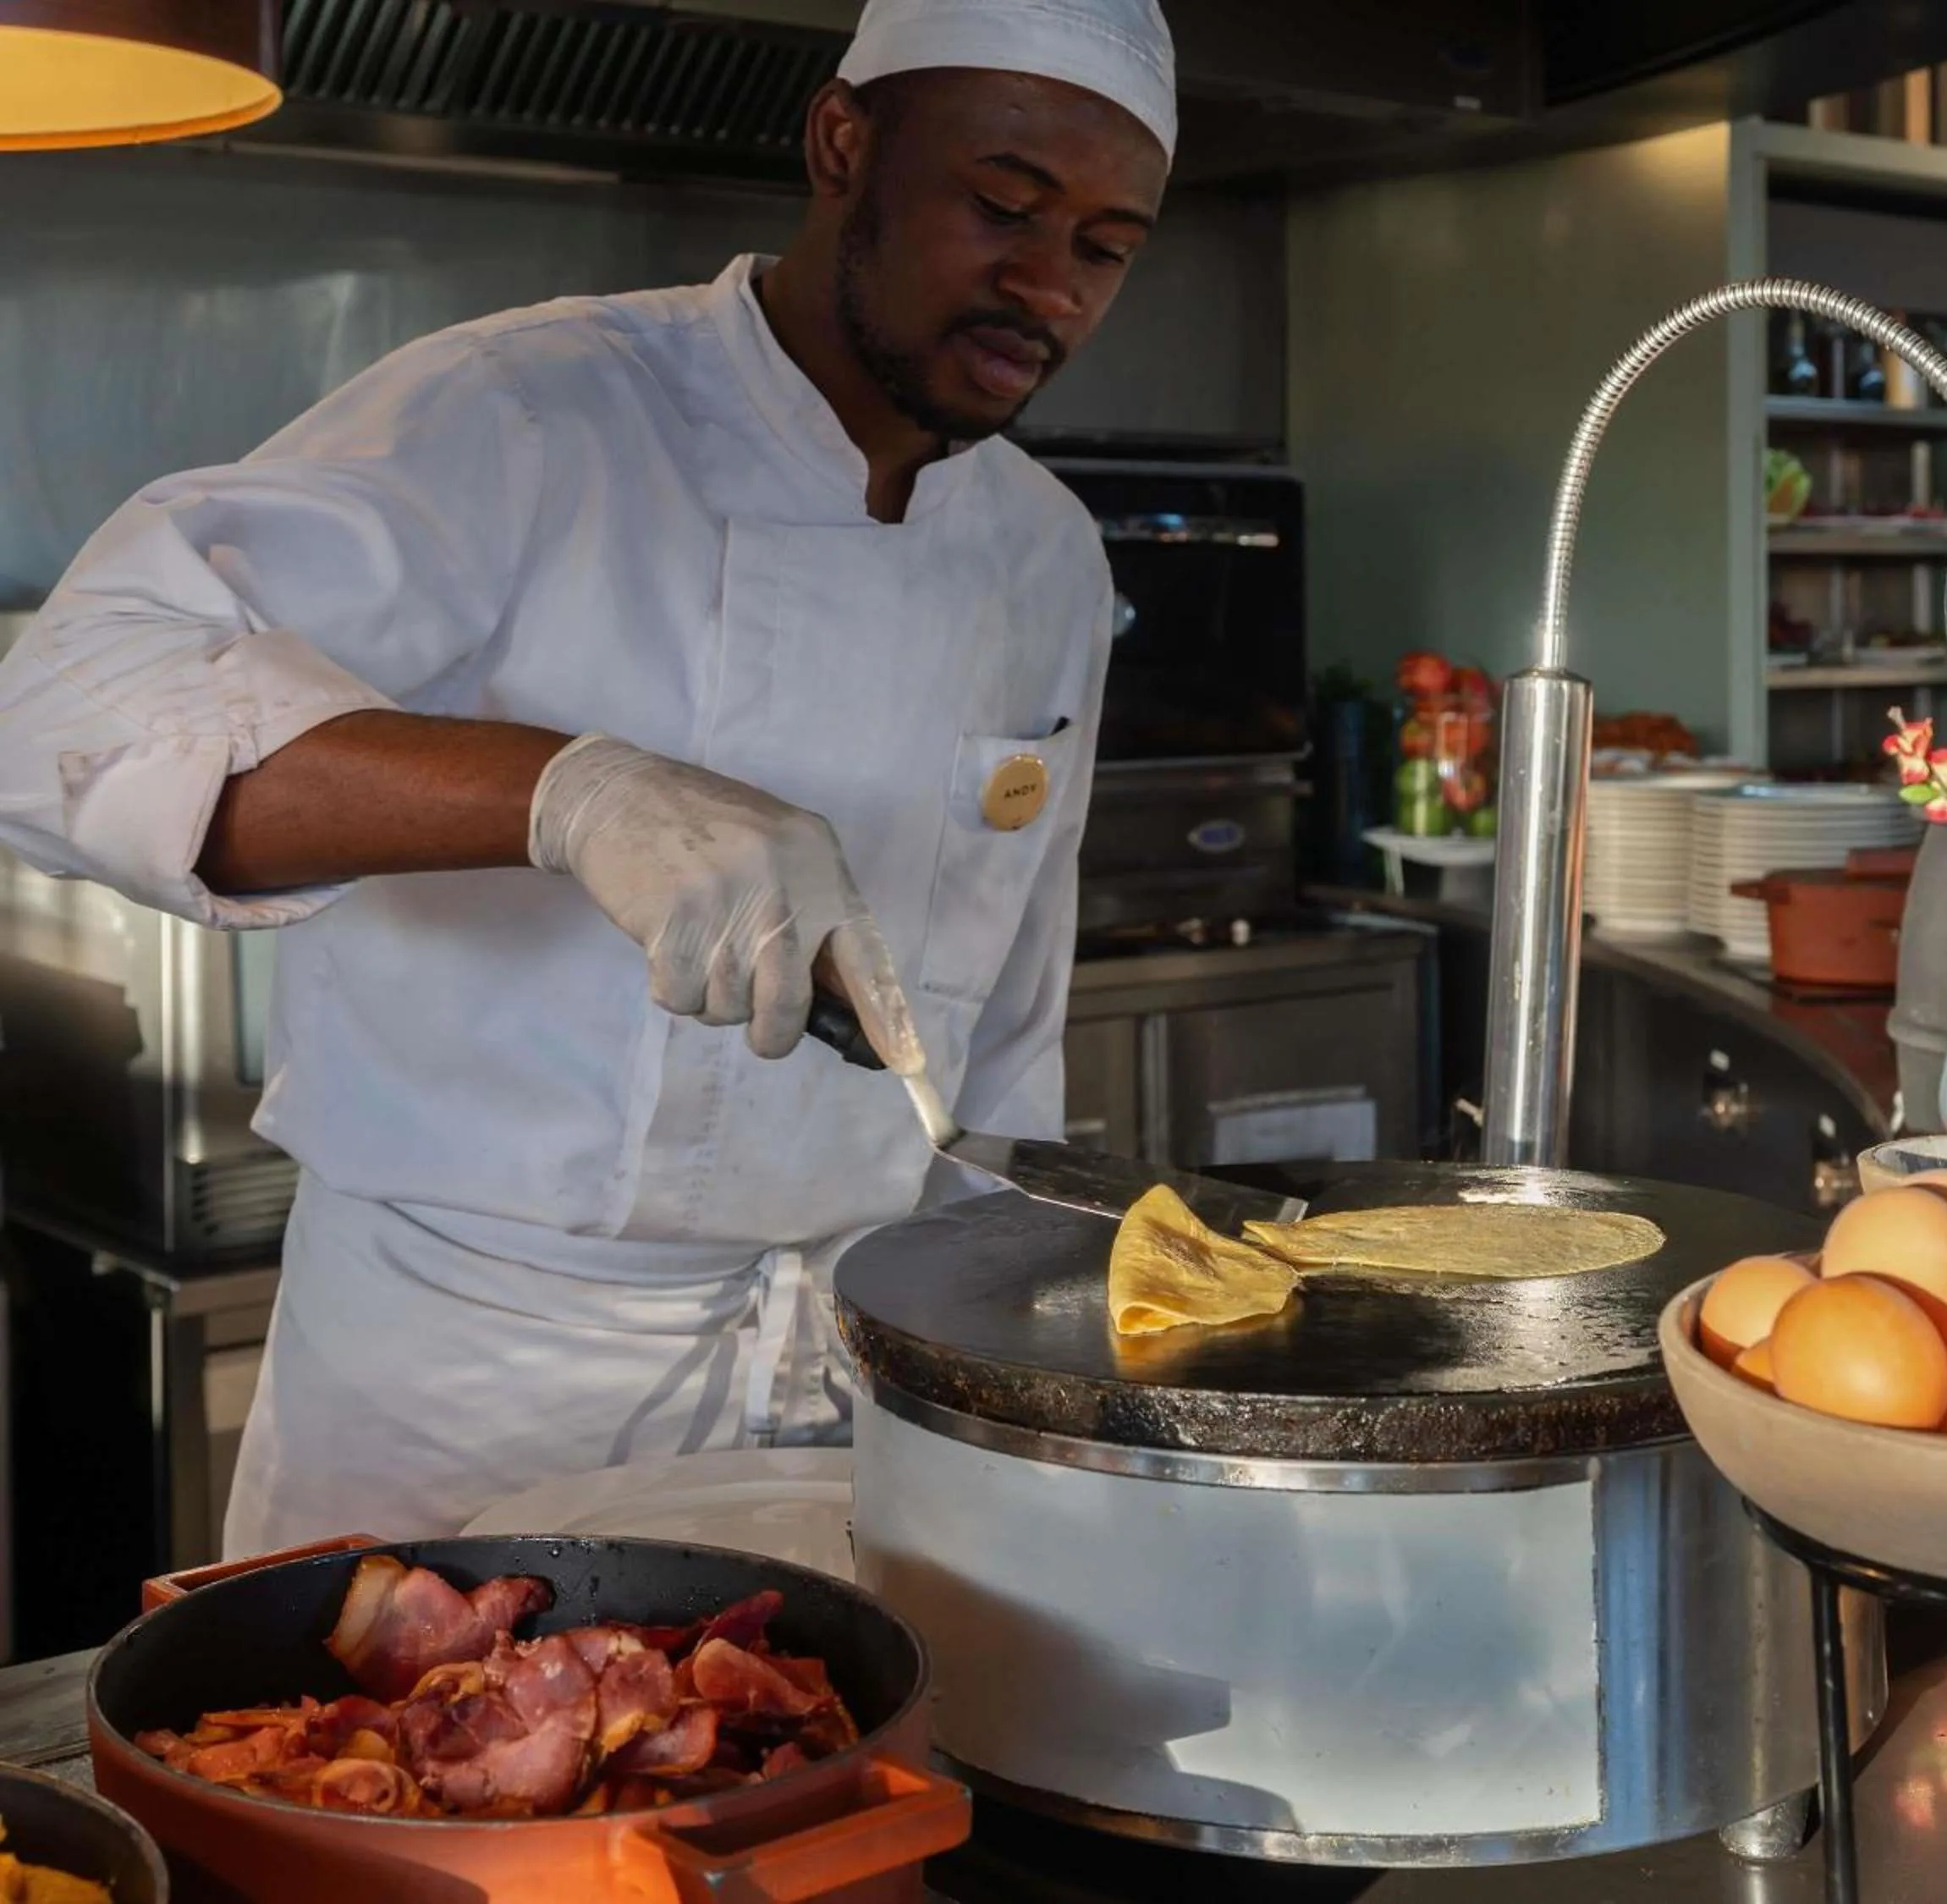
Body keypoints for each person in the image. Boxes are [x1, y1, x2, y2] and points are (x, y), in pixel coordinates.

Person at [0, 0, 1175, 1554]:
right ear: (842, 144)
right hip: (472, 1385)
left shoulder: (1047, 556)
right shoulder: (529, 410)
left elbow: (1003, 1048)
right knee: (388, 1773)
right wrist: (574, 794)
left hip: (854, 1402)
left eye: (1103, 247)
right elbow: (57, 709)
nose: (1047, 285)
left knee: (826, 1792)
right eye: (1004, 206)